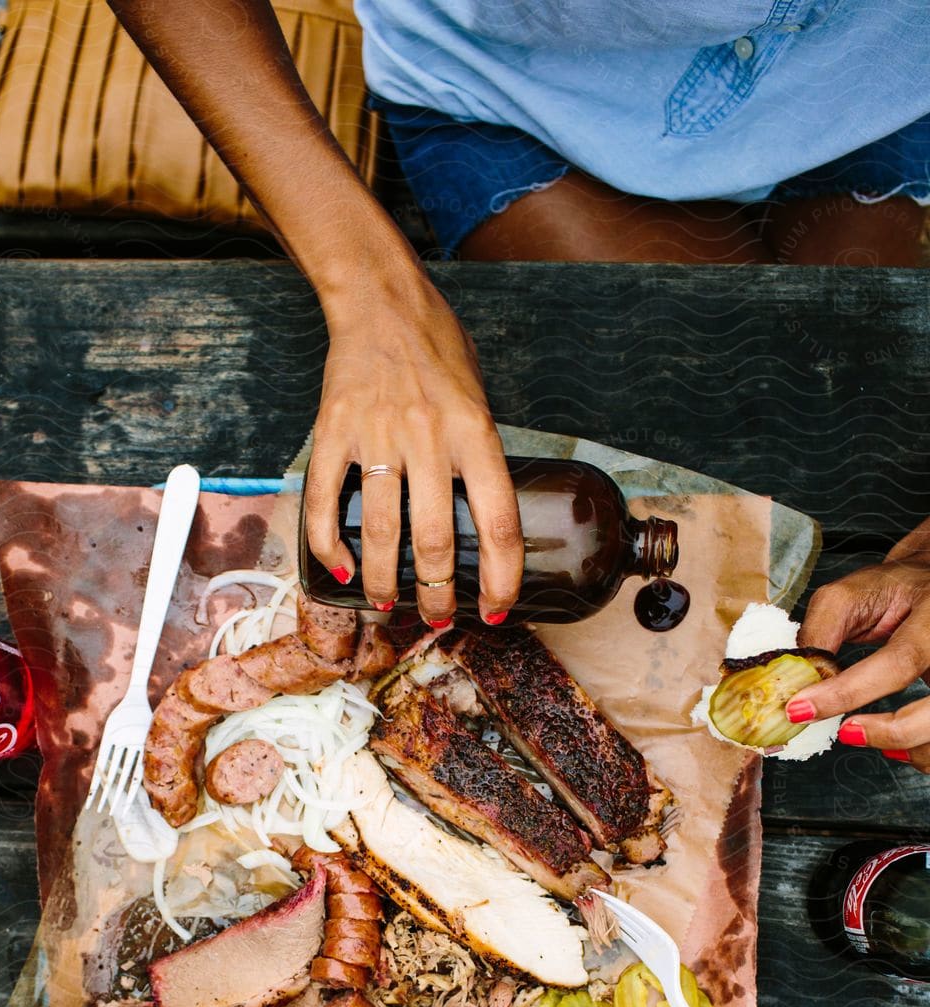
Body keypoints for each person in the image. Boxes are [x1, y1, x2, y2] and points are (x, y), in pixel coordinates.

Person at [104, 1, 930, 770]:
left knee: (825, 391)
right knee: (717, 391)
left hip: (880, 84)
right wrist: (376, 299)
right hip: (517, 93)